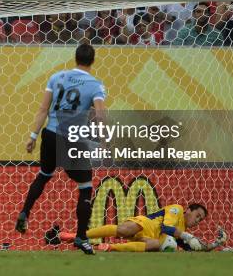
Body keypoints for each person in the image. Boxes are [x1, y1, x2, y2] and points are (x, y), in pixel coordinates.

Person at [15, 43, 106, 255]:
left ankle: (25, 212)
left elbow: (42, 109)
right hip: (72, 138)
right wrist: (104, 141)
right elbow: (100, 114)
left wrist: (32, 136)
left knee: (44, 175)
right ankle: (81, 237)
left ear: (75, 58)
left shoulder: (56, 78)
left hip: (50, 134)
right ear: (93, 61)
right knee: (85, 186)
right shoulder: (95, 85)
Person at [57, 203, 209, 252]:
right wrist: (188, 237)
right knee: (124, 230)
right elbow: (166, 228)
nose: (198, 220)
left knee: (157, 244)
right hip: (143, 224)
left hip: (149, 239)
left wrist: (208, 247)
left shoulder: (183, 231)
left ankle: (109, 247)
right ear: (188, 210)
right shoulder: (177, 209)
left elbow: (186, 247)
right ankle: (78, 236)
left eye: (201, 220)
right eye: (198, 215)